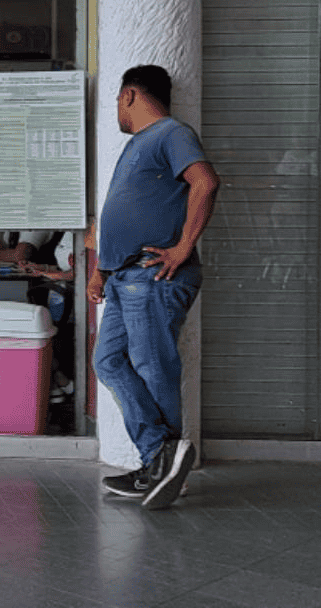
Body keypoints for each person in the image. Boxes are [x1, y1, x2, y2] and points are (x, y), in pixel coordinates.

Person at [89, 65, 220, 510]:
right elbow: (121, 215)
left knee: (152, 366)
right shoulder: (136, 146)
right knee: (108, 361)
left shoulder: (170, 133)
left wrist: (183, 247)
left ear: (129, 95)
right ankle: (160, 455)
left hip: (153, 276)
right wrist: (101, 271)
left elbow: (205, 182)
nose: (117, 109)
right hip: (124, 277)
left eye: (116, 100)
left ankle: (163, 463)